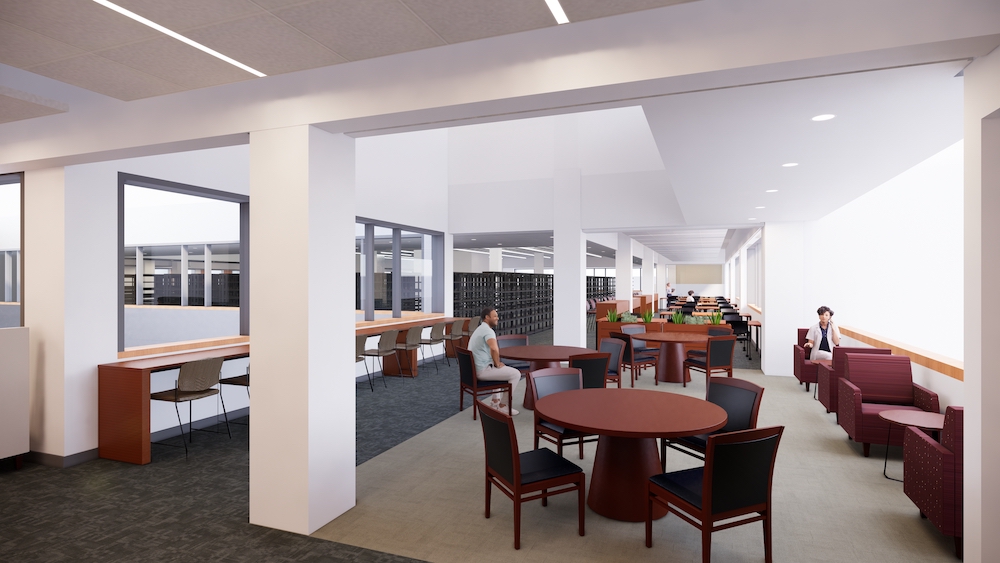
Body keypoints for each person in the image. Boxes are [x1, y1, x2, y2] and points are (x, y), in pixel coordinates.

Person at [468, 307, 522, 415]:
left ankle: (495, 401)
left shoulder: (480, 329)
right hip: (481, 371)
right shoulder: (488, 331)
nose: (498, 318)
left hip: (475, 369)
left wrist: (496, 363)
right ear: (487, 317)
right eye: (495, 316)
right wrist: (497, 363)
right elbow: (494, 348)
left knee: (497, 367)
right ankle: (503, 406)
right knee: (516, 374)